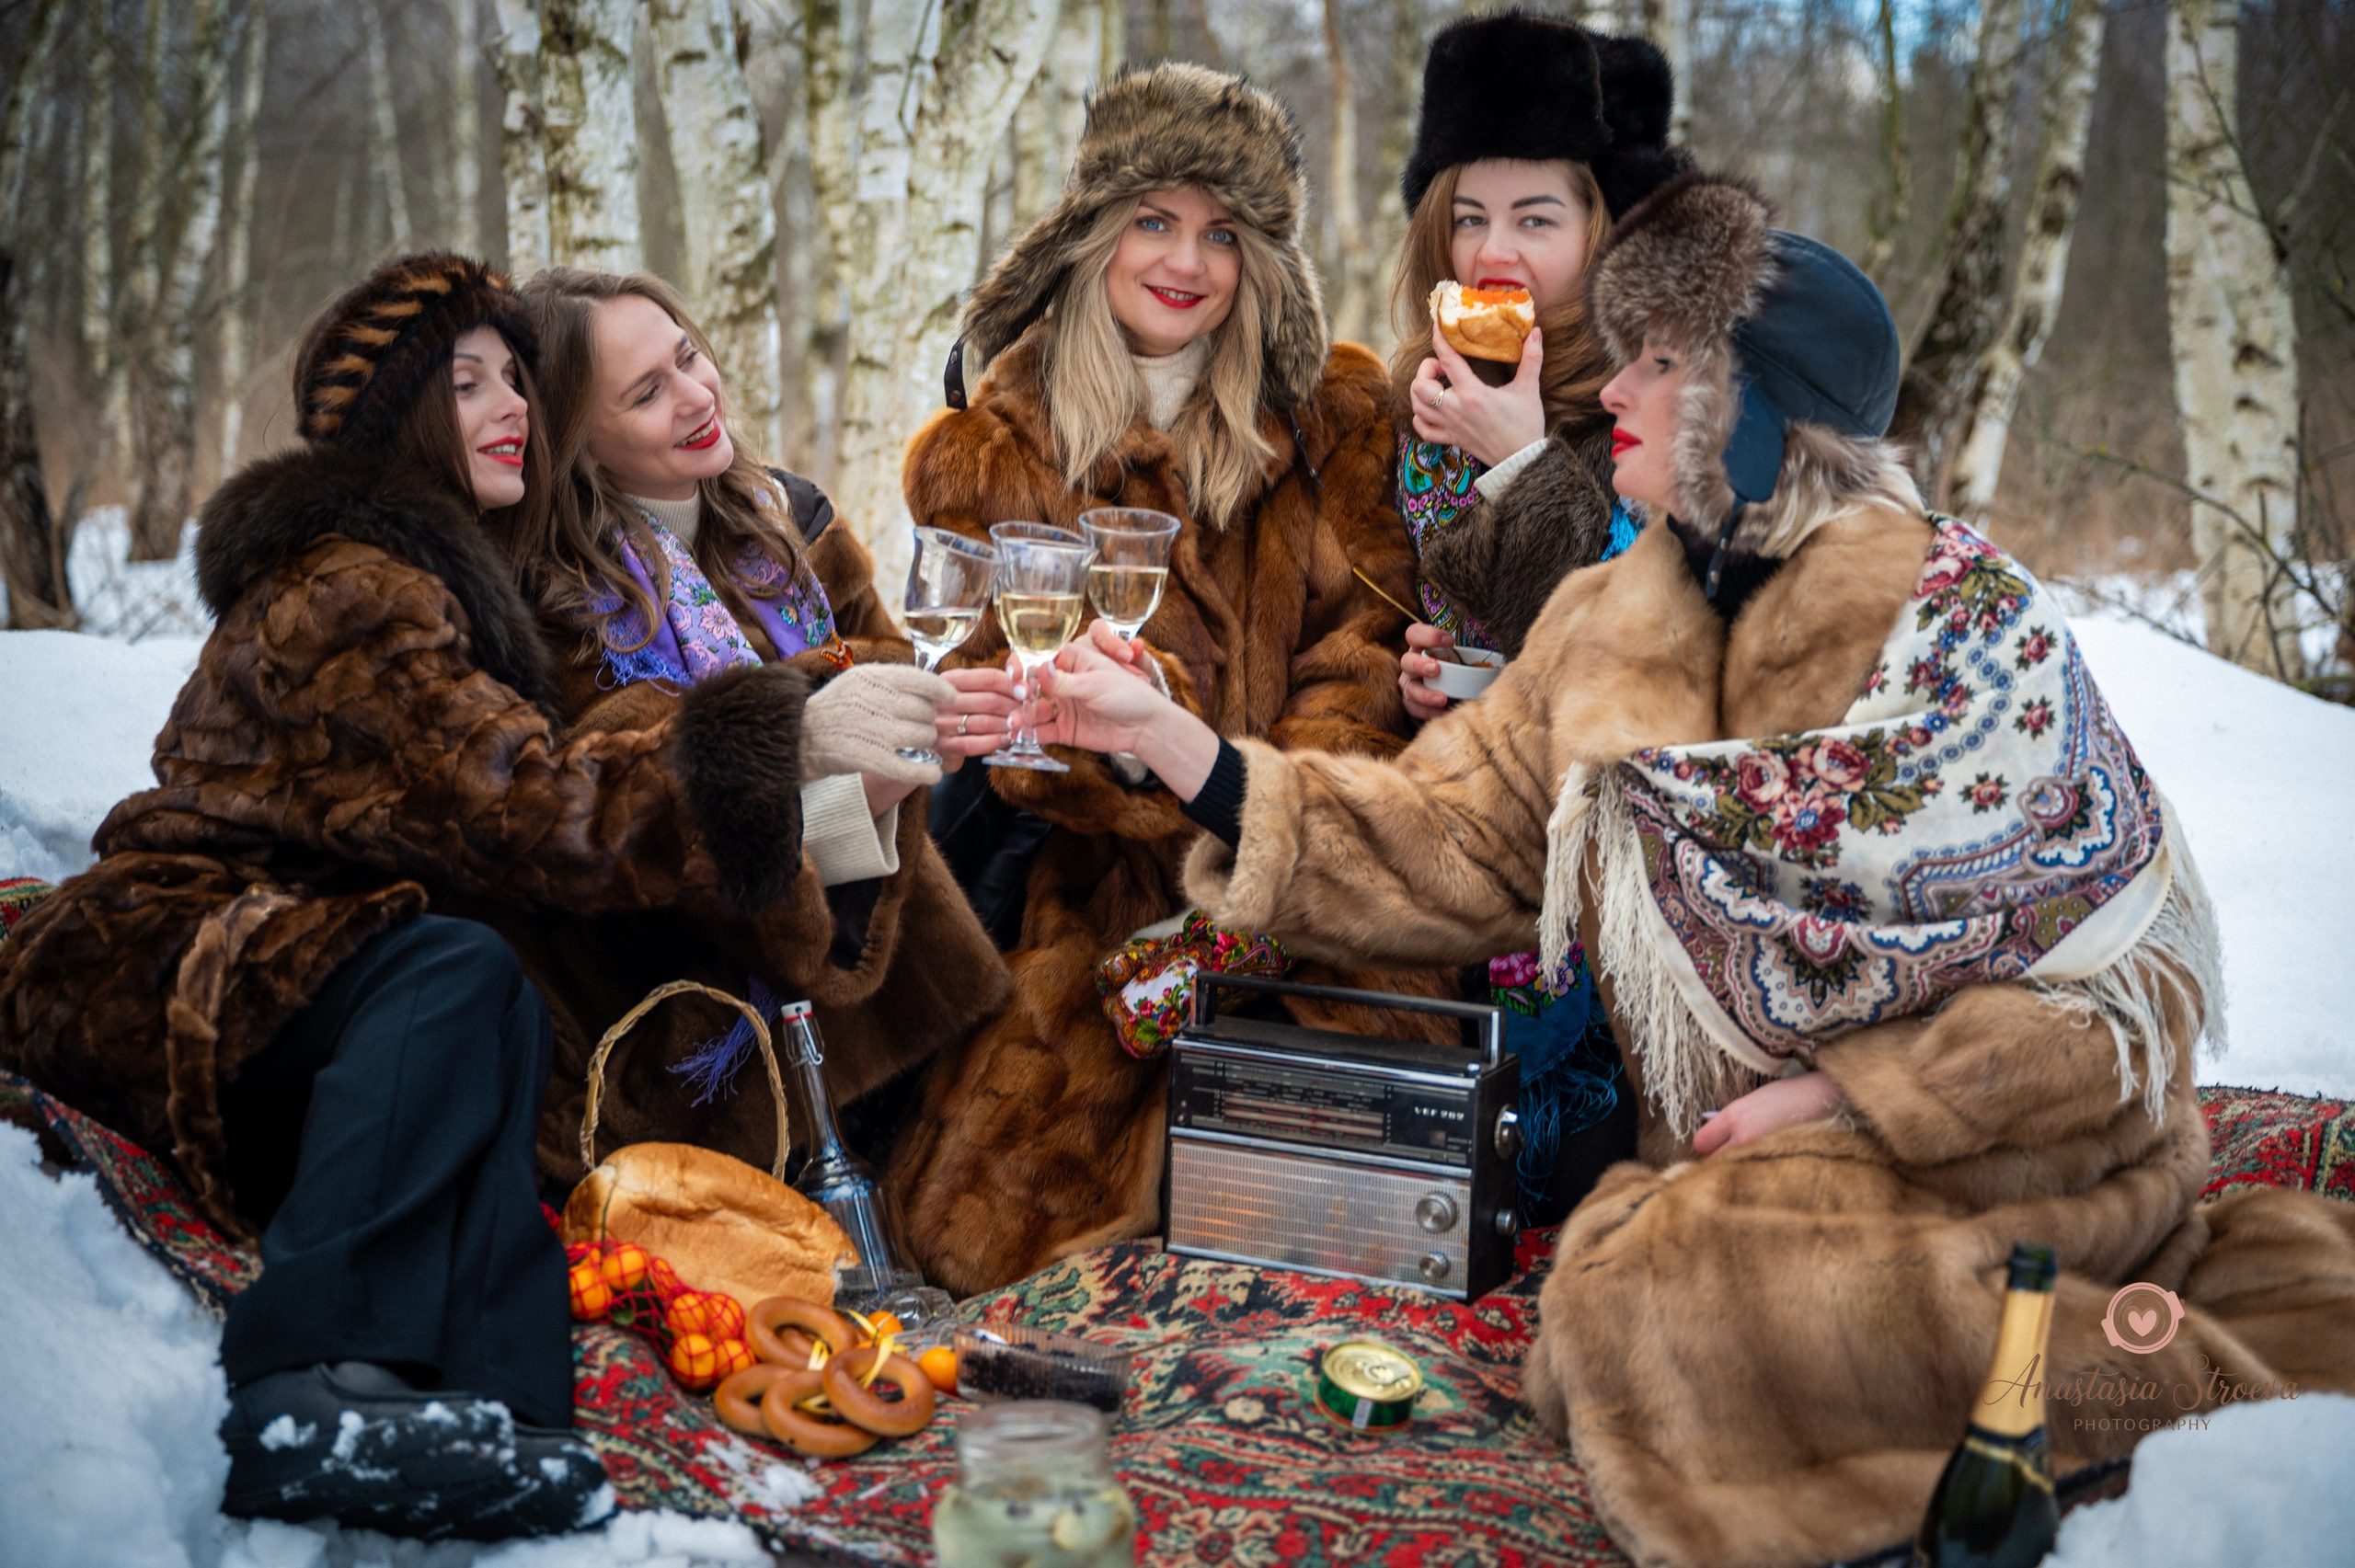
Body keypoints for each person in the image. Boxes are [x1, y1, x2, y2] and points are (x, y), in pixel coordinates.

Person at [1026, 175, 2355, 1565]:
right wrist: (1179, 746)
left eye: (1665, 365)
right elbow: (1452, 838)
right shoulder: (1611, 614)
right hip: (1761, 1171)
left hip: (2005, 1151)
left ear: (1756, 415)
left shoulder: (1960, 625)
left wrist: (1848, 1092)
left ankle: (2159, 1417)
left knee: (1664, 1302)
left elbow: (2114, 995)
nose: (1618, 392)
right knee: (1656, 1292)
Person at [0, 256, 911, 1539]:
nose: (511, 408)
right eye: (464, 382)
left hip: (312, 957)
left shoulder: (441, 579)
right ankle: (309, 1386)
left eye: (515, 380)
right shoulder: (350, 586)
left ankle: (503, 1412)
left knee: (485, 995)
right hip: (164, 946)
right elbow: (532, 807)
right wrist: (781, 742)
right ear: (400, 424)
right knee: (452, 973)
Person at [883, 62, 1449, 1297]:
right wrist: (1134, 746)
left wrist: (1265, 803)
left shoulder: (1333, 414)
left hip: (1318, 865)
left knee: (1372, 1214)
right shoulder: (994, 449)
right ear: (1092, 235)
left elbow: (1365, 645)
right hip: (1104, 883)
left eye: (1222, 232)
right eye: (1154, 220)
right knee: (982, 1239)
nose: (1186, 260)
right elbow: (1003, 697)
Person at [504, 269, 1007, 1185]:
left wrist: (946, 717)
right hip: (706, 1022)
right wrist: (856, 776)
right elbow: (647, 844)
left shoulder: (786, 515)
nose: (696, 396)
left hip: (893, 975)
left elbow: (888, 670)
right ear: (577, 437)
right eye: (646, 393)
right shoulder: (558, 608)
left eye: (688, 357)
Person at [1381, 11, 1695, 1220]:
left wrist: (1523, 460)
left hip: (1618, 862)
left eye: (1536, 218)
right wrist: (1423, 671)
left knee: (1574, 1173)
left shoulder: (1663, 394)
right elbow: (1454, 608)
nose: (1495, 248)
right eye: (1470, 214)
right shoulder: (1437, 391)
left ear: (1600, 229)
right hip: (1462, 839)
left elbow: (1647, 627)